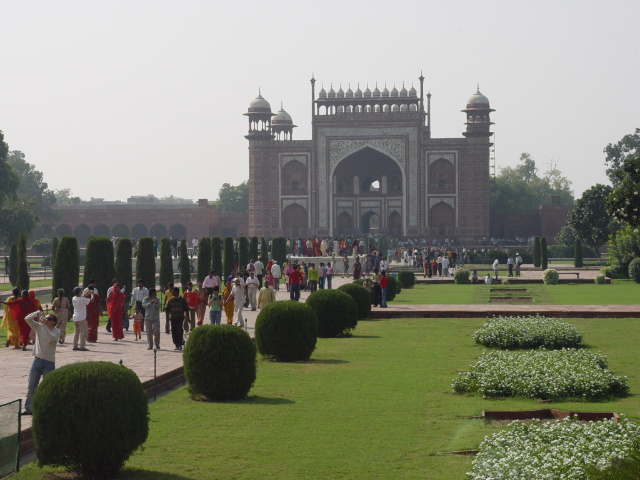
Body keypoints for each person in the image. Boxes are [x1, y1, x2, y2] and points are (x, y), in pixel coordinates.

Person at [22, 311, 60, 415]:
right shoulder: (38, 327)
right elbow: (27, 319)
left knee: (48, 387)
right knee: (32, 386)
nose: (46, 320)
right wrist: (36, 313)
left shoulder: (56, 331)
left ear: (54, 322)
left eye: (49, 319)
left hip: (49, 362)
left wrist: (45, 327)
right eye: (46, 318)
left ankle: (48, 408)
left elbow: (50, 339)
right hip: (37, 360)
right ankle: (29, 409)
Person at [72, 286, 92, 351]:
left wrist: (86, 294)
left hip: (75, 318)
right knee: (83, 333)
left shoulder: (74, 298)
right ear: (79, 292)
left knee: (76, 333)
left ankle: (75, 346)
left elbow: (81, 298)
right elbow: (92, 300)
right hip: (81, 318)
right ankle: (82, 346)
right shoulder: (82, 299)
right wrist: (92, 294)